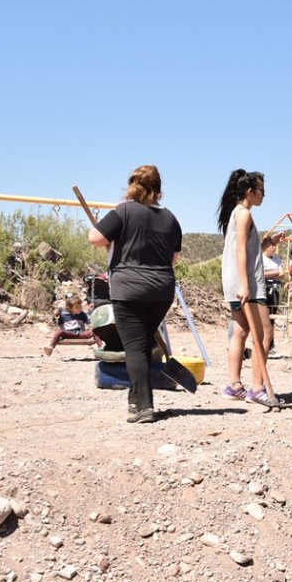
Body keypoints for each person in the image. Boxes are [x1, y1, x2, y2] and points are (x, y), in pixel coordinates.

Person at [87, 165, 181, 424]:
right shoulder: (171, 218)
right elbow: (172, 258)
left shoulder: (124, 210)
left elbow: (94, 237)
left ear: (132, 186)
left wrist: (112, 238)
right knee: (141, 344)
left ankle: (144, 407)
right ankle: (135, 398)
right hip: (162, 290)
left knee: (134, 349)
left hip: (129, 289)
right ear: (159, 190)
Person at [218, 169, 289, 409]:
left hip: (233, 281)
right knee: (265, 334)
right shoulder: (244, 214)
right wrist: (246, 284)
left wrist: (268, 243)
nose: (264, 196)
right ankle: (258, 388)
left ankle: (234, 385)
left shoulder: (236, 213)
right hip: (247, 283)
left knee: (240, 331)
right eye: (262, 191)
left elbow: (246, 249)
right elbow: (240, 251)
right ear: (250, 191)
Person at [262, 234, 285, 316]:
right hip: (263, 288)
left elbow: (281, 274)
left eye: (275, 246)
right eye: (272, 246)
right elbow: (261, 274)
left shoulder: (277, 260)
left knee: (272, 312)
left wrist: (268, 273)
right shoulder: (260, 259)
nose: (274, 248)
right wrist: (275, 272)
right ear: (266, 247)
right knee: (262, 312)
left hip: (275, 288)